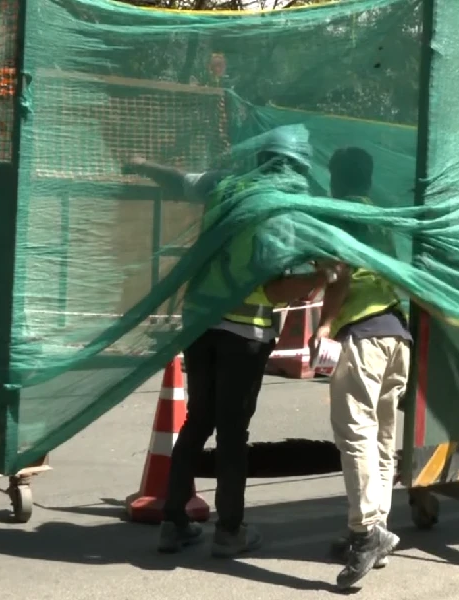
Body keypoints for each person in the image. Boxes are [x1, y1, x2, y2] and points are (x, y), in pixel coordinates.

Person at [127, 125, 336, 558]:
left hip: (202, 322)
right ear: (298, 166)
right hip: (245, 332)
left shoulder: (228, 187)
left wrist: (143, 165)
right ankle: (230, 531)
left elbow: (180, 179)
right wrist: (324, 277)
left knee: (197, 420)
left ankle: (174, 522)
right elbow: (277, 289)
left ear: (261, 159)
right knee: (232, 433)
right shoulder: (283, 209)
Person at [314, 146, 412, 590]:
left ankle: (365, 533)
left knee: (356, 434)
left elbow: (341, 277)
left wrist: (325, 328)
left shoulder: (340, 214)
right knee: (383, 438)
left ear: (336, 178)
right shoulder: (379, 215)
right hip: (397, 335)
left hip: (365, 336)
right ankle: (381, 531)